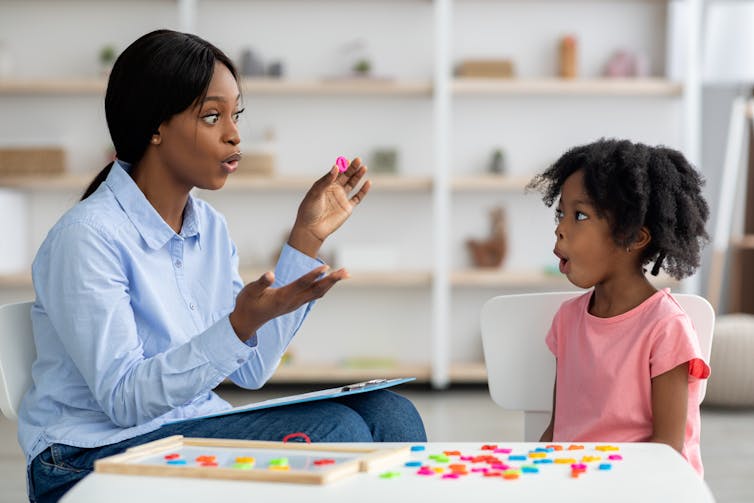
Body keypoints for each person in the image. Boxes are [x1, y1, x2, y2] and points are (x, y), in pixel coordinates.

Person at [18, 29, 426, 502]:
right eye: (212, 116)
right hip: (83, 458)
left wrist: (306, 238)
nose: (234, 134)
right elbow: (125, 400)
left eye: (236, 115)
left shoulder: (208, 227)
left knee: (391, 415)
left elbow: (251, 371)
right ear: (155, 127)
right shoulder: (86, 237)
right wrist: (238, 324)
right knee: (336, 434)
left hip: (182, 428)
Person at [527, 138, 711, 476]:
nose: (560, 228)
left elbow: (666, 451)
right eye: (561, 214)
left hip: (646, 486)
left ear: (634, 237)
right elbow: (558, 430)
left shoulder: (666, 327)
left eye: (580, 215)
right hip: (574, 485)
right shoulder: (567, 321)